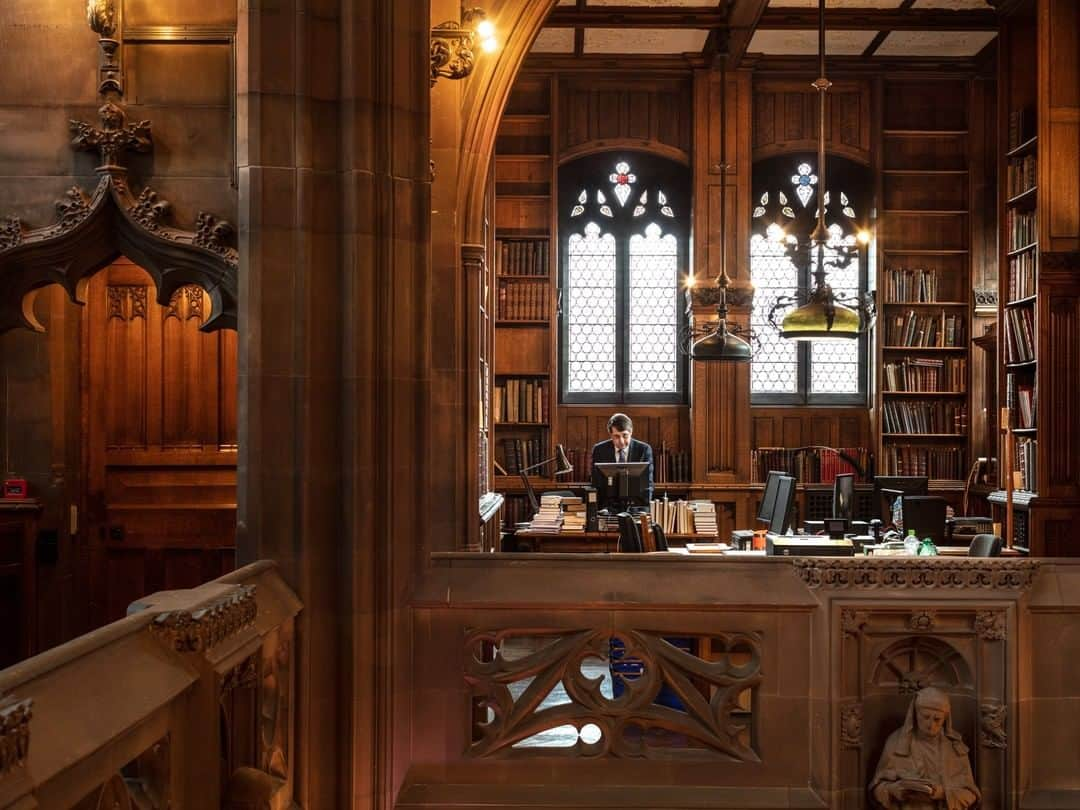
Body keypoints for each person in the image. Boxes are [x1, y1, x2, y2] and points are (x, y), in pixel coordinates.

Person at [870, 687, 980, 810]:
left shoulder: (954, 747)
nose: (931, 725)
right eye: (925, 717)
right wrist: (892, 790)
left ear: (945, 719)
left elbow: (971, 794)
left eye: (937, 719)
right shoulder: (895, 741)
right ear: (916, 715)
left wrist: (942, 793)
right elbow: (876, 789)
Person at [591, 412, 653, 507]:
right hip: (607, 507)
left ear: (631, 432)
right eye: (616, 436)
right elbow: (596, 484)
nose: (621, 441)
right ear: (610, 435)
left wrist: (642, 508)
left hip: (637, 506)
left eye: (625, 435)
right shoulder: (599, 450)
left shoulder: (644, 450)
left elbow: (647, 485)